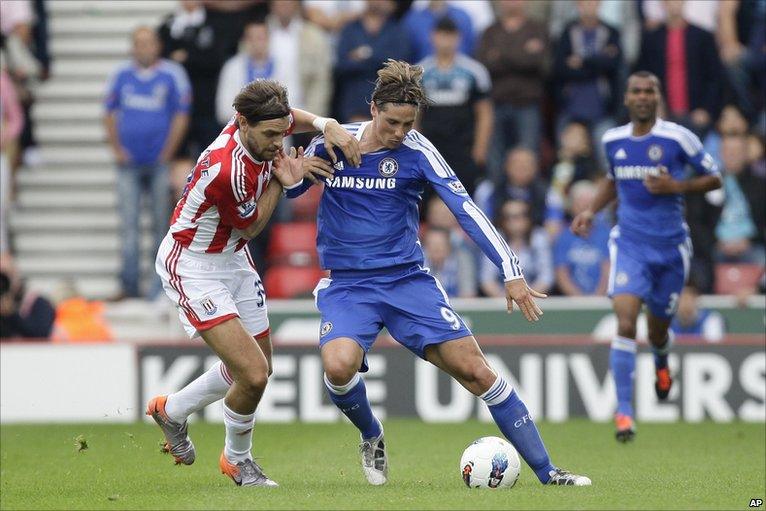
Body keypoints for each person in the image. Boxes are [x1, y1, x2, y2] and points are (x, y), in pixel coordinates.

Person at [286, 60, 591, 487]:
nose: (398, 132)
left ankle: (549, 472)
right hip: (350, 284)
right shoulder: (333, 142)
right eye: (392, 122)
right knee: (338, 367)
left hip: (408, 281)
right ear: (373, 108)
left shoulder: (417, 150)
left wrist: (510, 270)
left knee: (478, 373)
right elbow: (293, 184)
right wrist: (291, 176)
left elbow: (465, 209)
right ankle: (371, 433)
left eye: (408, 124)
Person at [145, 79, 361, 487]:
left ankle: (170, 410)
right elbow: (251, 227)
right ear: (241, 123)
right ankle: (237, 461)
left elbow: (289, 116)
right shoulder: (228, 170)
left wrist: (324, 122)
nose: (279, 142)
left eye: (282, 132)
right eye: (270, 135)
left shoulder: (262, 128)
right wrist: (286, 180)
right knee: (254, 375)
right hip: (194, 263)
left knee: (259, 366)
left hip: (232, 259)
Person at [571, 71, 722, 442]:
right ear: (626, 98)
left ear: (657, 97)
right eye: (636, 91)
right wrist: (591, 210)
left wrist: (678, 186)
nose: (642, 96)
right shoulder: (612, 139)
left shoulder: (678, 137)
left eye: (649, 91)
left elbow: (714, 177)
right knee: (625, 321)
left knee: (657, 331)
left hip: (670, 249)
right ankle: (624, 413)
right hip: (630, 244)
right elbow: (613, 178)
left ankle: (661, 361)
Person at [104, 27, 191, 299]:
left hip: (158, 163)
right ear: (132, 46)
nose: (144, 48)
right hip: (128, 165)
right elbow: (109, 112)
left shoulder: (173, 75)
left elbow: (181, 114)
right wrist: (117, 149)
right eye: (139, 43)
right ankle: (129, 285)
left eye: (148, 43)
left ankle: (159, 287)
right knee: (129, 226)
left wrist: (168, 151)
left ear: (157, 46)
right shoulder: (120, 75)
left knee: (161, 226)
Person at [418, 16, 493, 197]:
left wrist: (480, 148)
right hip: (431, 145)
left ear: (458, 38)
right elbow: (413, 113)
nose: (445, 41)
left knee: (463, 195)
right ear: (432, 37)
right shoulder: (419, 72)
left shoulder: (474, 71)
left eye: (450, 36)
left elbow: (484, 113)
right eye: (441, 35)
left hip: (463, 147)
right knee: (427, 196)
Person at [480, 199, 554, 298]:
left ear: (528, 219)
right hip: (503, 301)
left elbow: (546, 277)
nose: (513, 222)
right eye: (508, 217)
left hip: (535, 299)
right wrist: (506, 298)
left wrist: (525, 297)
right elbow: (486, 279)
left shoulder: (539, 238)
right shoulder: (494, 238)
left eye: (518, 216)